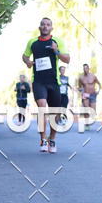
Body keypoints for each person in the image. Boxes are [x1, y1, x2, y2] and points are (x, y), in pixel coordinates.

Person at [22, 17, 70, 153]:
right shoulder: (32, 42)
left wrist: (56, 51)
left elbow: (67, 60)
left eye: (48, 25)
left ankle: (52, 138)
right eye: (43, 24)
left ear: (51, 28)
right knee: (42, 107)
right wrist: (28, 62)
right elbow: (25, 56)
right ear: (39, 27)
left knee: (55, 113)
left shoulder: (58, 41)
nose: (45, 27)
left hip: (54, 82)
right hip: (38, 81)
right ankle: (43, 138)